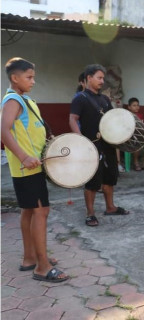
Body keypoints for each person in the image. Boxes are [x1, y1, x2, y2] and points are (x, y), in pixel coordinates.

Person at [1, 57, 68, 282]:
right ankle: (42, 266)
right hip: (27, 167)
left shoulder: (24, 99)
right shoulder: (12, 100)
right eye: (29, 77)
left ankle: (30, 257)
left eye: (33, 77)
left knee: (29, 211)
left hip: (30, 167)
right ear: (15, 78)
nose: (33, 81)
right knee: (41, 211)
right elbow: (4, 130)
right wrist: (24, 156)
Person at [69, 64, 130, 227]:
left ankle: (110, 207)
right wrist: (80, 140)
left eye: (103, 78)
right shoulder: (80, 98)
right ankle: (90, 214)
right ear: (89, 78)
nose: (102, 81)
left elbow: (112, 118)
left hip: (108, 144)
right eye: (99, 78)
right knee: (93, 182)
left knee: (110, 177)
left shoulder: (104, 99)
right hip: (91, 146)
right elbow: (73, 119)